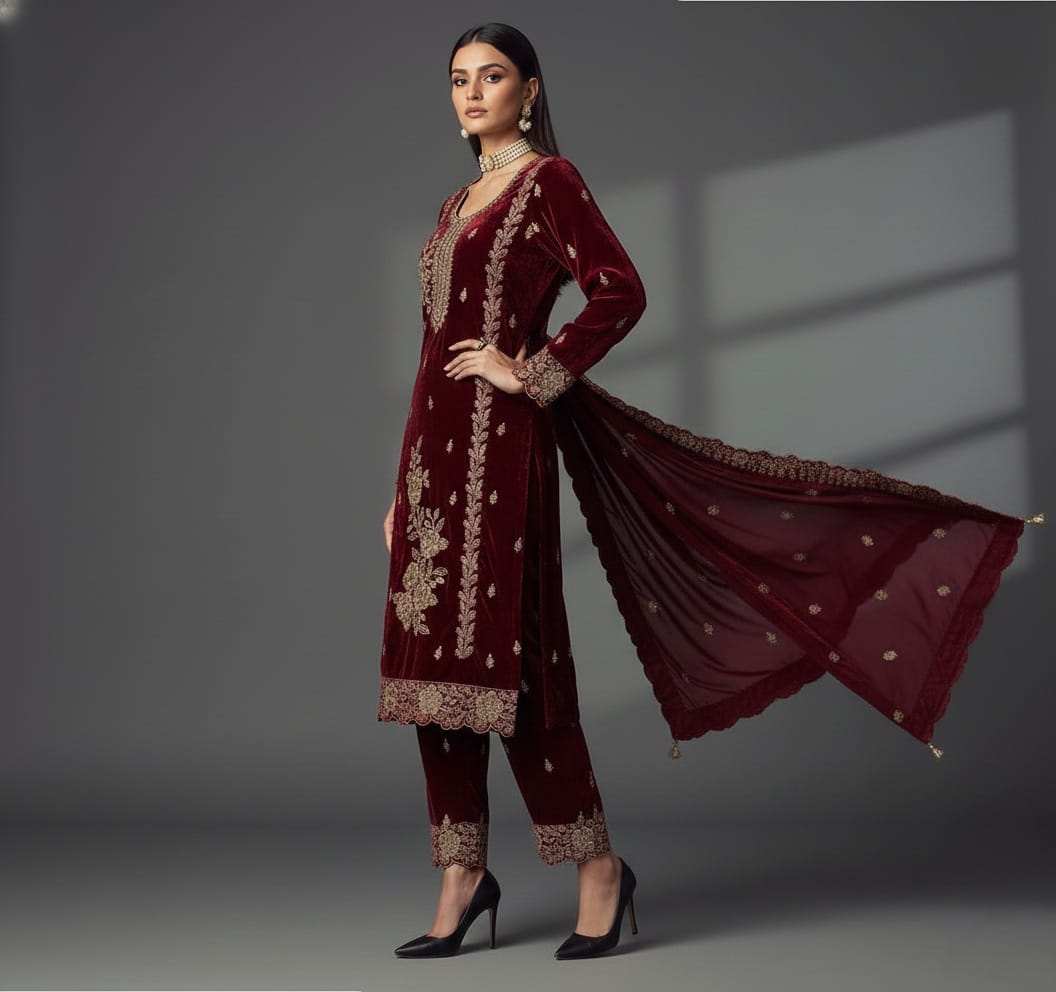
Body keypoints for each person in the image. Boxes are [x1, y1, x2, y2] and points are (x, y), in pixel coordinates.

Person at [377, 21, 1036, 960]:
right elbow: (430, 355)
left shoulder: (547, 183)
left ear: (530, 92)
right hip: (432, 462)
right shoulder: (453, 207)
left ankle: (597, 866)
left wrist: (538, 371)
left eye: (492, 78)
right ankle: (461, 872)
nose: (471, 93)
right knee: (429, 678)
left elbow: (619, 289)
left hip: (500, 454)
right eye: (457, 80)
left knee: (510, 673)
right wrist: (401, 487)